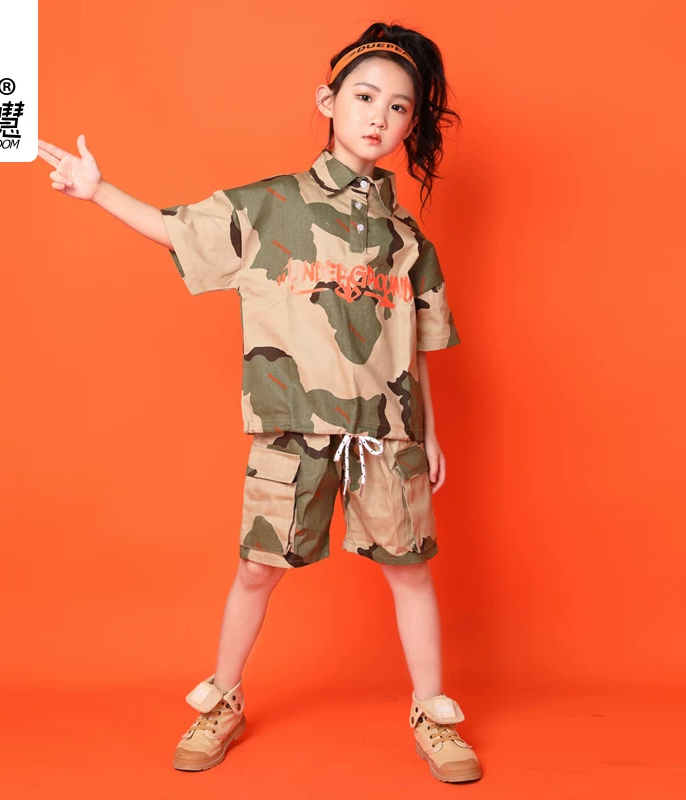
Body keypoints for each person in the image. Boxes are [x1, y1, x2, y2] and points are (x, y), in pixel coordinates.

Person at [37, 21, 481, 784]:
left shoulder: (408, 238)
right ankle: (224, 698)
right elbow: (178, 231)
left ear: (411, 124)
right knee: (256, 571)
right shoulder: (273, 205)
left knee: (411, 571)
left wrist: (430, 433)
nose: (379, 117)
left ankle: (432, 712)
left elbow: (415, 346)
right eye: (365, 96)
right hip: (292, 429)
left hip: (388, 432)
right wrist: (98, 190)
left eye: (399, 107)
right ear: (329, 101)